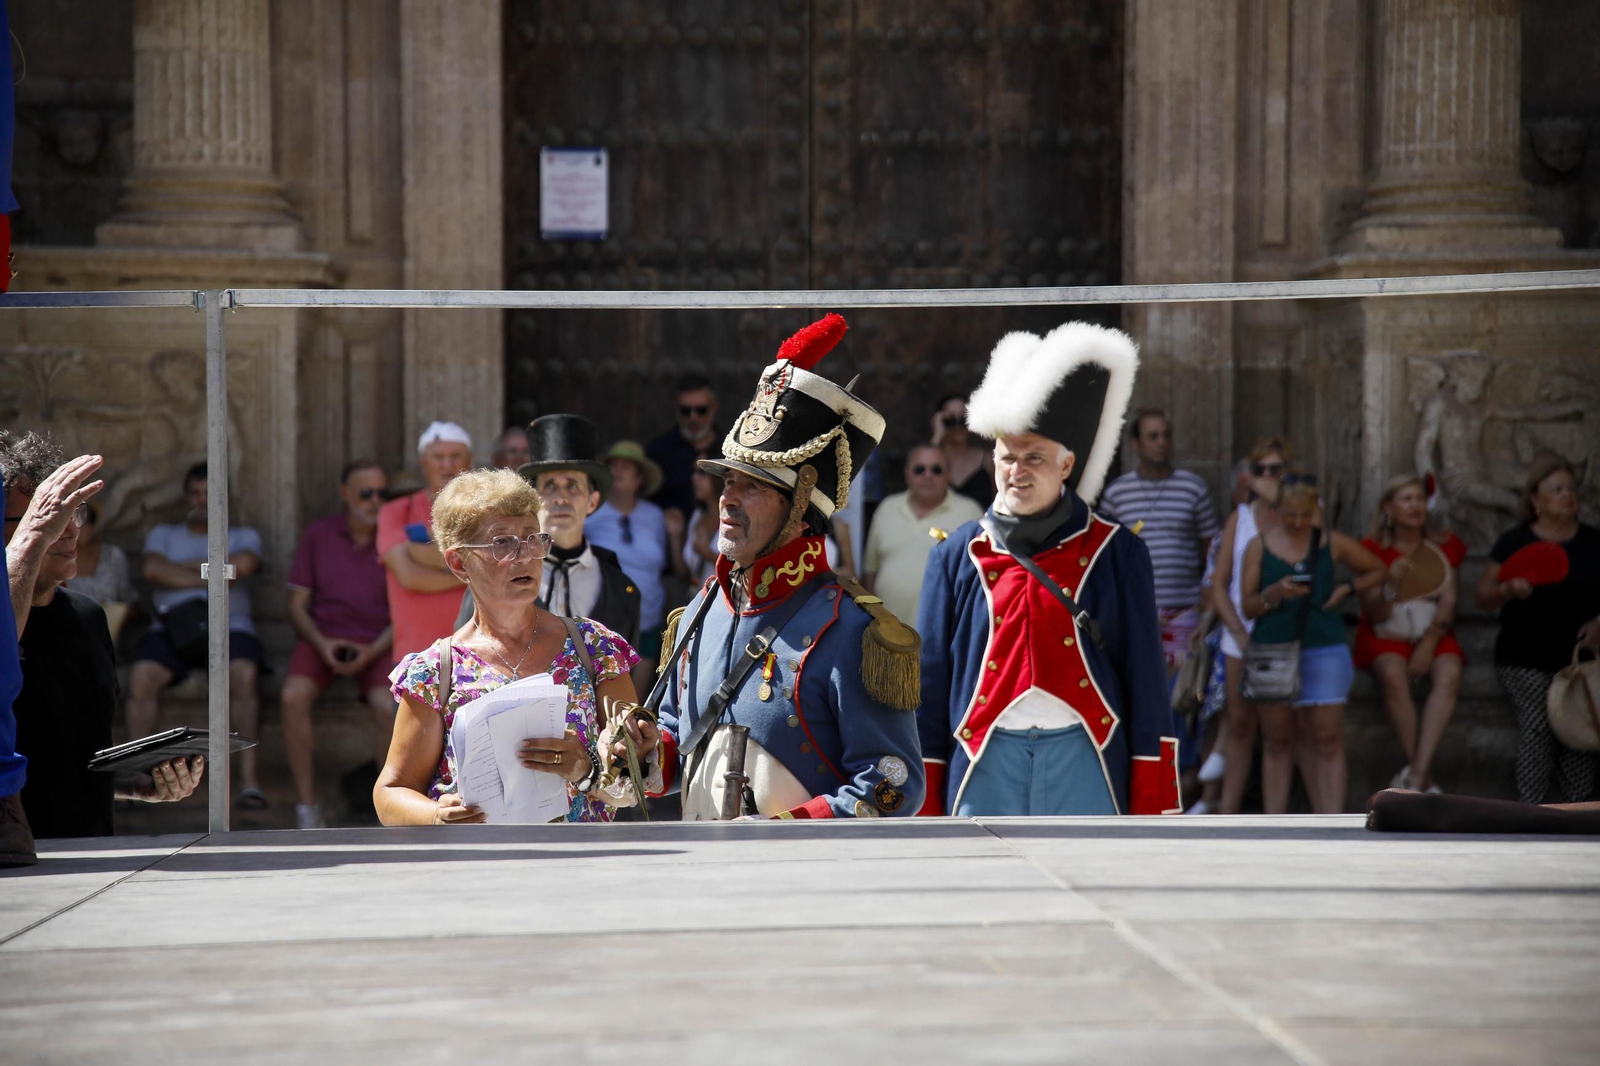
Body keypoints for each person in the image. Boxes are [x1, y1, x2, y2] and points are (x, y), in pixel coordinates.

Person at [613, 313, 925, 821]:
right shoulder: (700, 609)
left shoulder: (852, 630)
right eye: (727, 483)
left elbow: (893, 782)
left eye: (752, 486)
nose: (728, 499)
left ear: (800, 506)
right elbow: (677, 740)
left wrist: (789, 832)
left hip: (804, 883)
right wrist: (640, 751)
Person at [918, 322, 1180, 817]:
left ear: (1066, 465)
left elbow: (1145, 677)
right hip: (983, 758)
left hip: (1087, 755)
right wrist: (925, 794)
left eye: (1033, 457)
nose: (1016, 471)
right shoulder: (954, 554)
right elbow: (930, 685)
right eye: (1006, 457)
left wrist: (1152, 793)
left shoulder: (1118, 551)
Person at [374, 468, 640, 825]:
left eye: (532, 539)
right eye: (502, 543)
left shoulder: (594, 649)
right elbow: (391, 792)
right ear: (458, 562)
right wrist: (436, 815)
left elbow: (638, 777)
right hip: (481, 870)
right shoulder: (434, 672)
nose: (524, 556)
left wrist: (586, 768)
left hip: (582, 869)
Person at [3, 434, 202, 843]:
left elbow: (79, 755)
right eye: (48, 519)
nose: (70, 532)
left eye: (75, 514)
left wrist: (135, 782)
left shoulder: (87, 616)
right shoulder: (8, 622)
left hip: (93, 856)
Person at [1239, 476, 1387, 813]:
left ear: (1314, 511)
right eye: (1290, 514)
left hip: (1324, 644)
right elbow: (1247, 606)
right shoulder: (1259, 546)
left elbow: (1378, 569)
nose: (1297, 522)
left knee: (1328, 739)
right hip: (1274, 648)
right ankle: (1273, 822)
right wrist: (1274, 593)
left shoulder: (1331, 542)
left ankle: (1333, 820)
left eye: (1304, 515)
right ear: (1276, 511)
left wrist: (1347, 588)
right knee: (1277, 742)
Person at [126, 461, 264, 808]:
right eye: (195, 494)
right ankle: (135, 777)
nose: (201, 501)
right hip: (172, 629)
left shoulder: (244, 535)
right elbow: (152, 569)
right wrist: (215, 573)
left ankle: (249, 783)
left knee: (245, 674)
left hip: (230, 628)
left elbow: (244, 565)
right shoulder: (163, 534)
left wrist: (179, 570)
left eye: (209, 495)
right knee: (142, 676)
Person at [1476, 453, 1600, 804]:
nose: (1567, 496)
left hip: (1578, 662)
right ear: (1535, 499)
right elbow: (1482, 596)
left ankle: (1578, 810)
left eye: (1571, 489)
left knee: (1579, 731)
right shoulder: (1514, 542)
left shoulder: (1594, 543)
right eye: (1556, 489)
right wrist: (1506, 590)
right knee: (1539, 724)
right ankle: (1529, 810)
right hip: (1524, 660)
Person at [456, 414, 642, 647]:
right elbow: (465, 660)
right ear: (531, 500)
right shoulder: (494, 576)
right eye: (549, 486)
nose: (560, 498)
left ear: (592, 502)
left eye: (572, 486)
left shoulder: (620, 589)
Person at [281, 460, 396, 829]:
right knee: (292, 697)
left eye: (383, 493)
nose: (375, 501)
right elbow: (296, 606)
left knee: (388, 707)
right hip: (322, 639)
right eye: (366, 493)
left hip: (378, 642)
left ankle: (388, 806)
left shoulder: (395, 538)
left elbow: (405, 613)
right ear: (345, 494)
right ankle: (307, 807)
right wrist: (322, 643)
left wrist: (371, 652)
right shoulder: (319, 535)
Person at [1355, 475, 1468, 794]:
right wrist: (1391, 584)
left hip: (1434, 629)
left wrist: (1429, 643)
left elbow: (1450, 600)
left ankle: (1416, 776)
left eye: (1419, 498)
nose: (1414, 505)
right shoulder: (1370, 549)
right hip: (1386, 630)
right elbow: (1374, 611)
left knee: (1449, 674)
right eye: (1406, 499)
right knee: (1392, 674)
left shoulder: (1445, 545)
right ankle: (1422, 774)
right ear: (1389, 507)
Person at [1097, 409, 1222, 672]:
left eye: (1165, 436)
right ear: (1135, 443)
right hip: (1136, 613)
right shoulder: (1117, 493)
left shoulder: (1193, 487)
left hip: (1185, 613)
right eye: (1152, 436)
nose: (1161, 443)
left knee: (1182, 695)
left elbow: (1210, 551)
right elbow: (1107, 554)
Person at [1210, 438, 1290, 814]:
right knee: (1239, 727)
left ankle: (1276, 820)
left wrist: (1283, 502)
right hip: (1240, 635)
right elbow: (1219, 583)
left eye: (1276, 470)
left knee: (1278, 735)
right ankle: (1227, 816)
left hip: (1283, 636)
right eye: (1261, 470)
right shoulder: (1238, 518)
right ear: (1249, 475)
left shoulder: (1300, 513)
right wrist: (1238, 632)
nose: (1268, 477)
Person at [377, 422, 473, 666]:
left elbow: (492, 560)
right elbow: (409, 576)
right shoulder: (395, 511)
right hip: (416, 656)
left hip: (475, 654)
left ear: (469, 460)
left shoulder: (483, 511)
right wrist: (474, 575)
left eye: (455, 456)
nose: (447, 464)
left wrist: (419, 552)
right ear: (423, 461)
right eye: (438, 456)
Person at [862, 443, 982, 625]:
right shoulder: (886, 508)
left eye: (936, 469)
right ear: (907, 473)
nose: (928, 475)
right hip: (887, 637)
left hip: (945, 639)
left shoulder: (971, 512)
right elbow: (870, 571)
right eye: (919, 469)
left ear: (948, 473)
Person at [588, 441, 670, 692]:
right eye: (613, 466)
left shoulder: (655, 515)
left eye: (626, 467)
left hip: (648, 618)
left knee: (637, 701)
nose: (618, 471)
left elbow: (665, 565)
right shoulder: (589, 513)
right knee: (604, 699)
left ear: (639, 479)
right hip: (605, 620)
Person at [647, 373, 720, 523]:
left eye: (701, 410)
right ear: (676, 409)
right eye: (686, 410)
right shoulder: (658, 452)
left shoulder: (728, 450)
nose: (693, 418)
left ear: (714, 407)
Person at [63, 502, 137, 640]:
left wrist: (113, 612)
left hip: (106, 639)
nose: (85, 526)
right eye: (76, 520)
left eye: (90, 519)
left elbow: (130, 604)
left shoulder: (112, 556)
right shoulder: (53, 559)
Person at [931, 392, 995, 509]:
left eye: (963, 419)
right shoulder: (932, 460)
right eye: (950, 420)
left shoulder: (987, 460)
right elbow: (918, 486)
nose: (957, 425)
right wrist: (937, 437)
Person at [681, 458, 722, 586]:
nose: (694, 478)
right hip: (698, 600)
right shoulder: (697, 515)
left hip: (725, 601)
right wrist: (675, 536)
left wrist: (706, 553)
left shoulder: (737, 518)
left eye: (702, 473)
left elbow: (745, 570)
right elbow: (684, 572)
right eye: (694, 472)